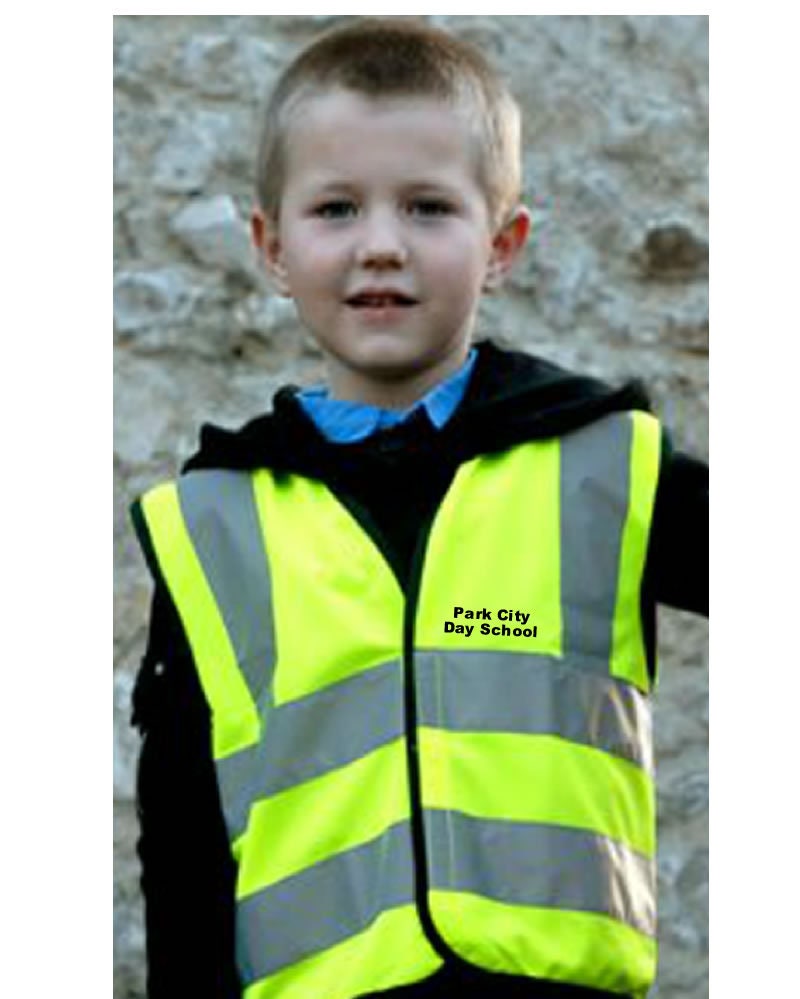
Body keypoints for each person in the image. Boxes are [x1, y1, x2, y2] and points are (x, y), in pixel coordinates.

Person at [129, 17, 708, 999]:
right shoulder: (211, 525)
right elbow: (181, 846)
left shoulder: (607, 462)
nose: (382, 246)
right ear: (271, 246)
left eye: (430, 207)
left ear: (502, 242)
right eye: (337, 209)